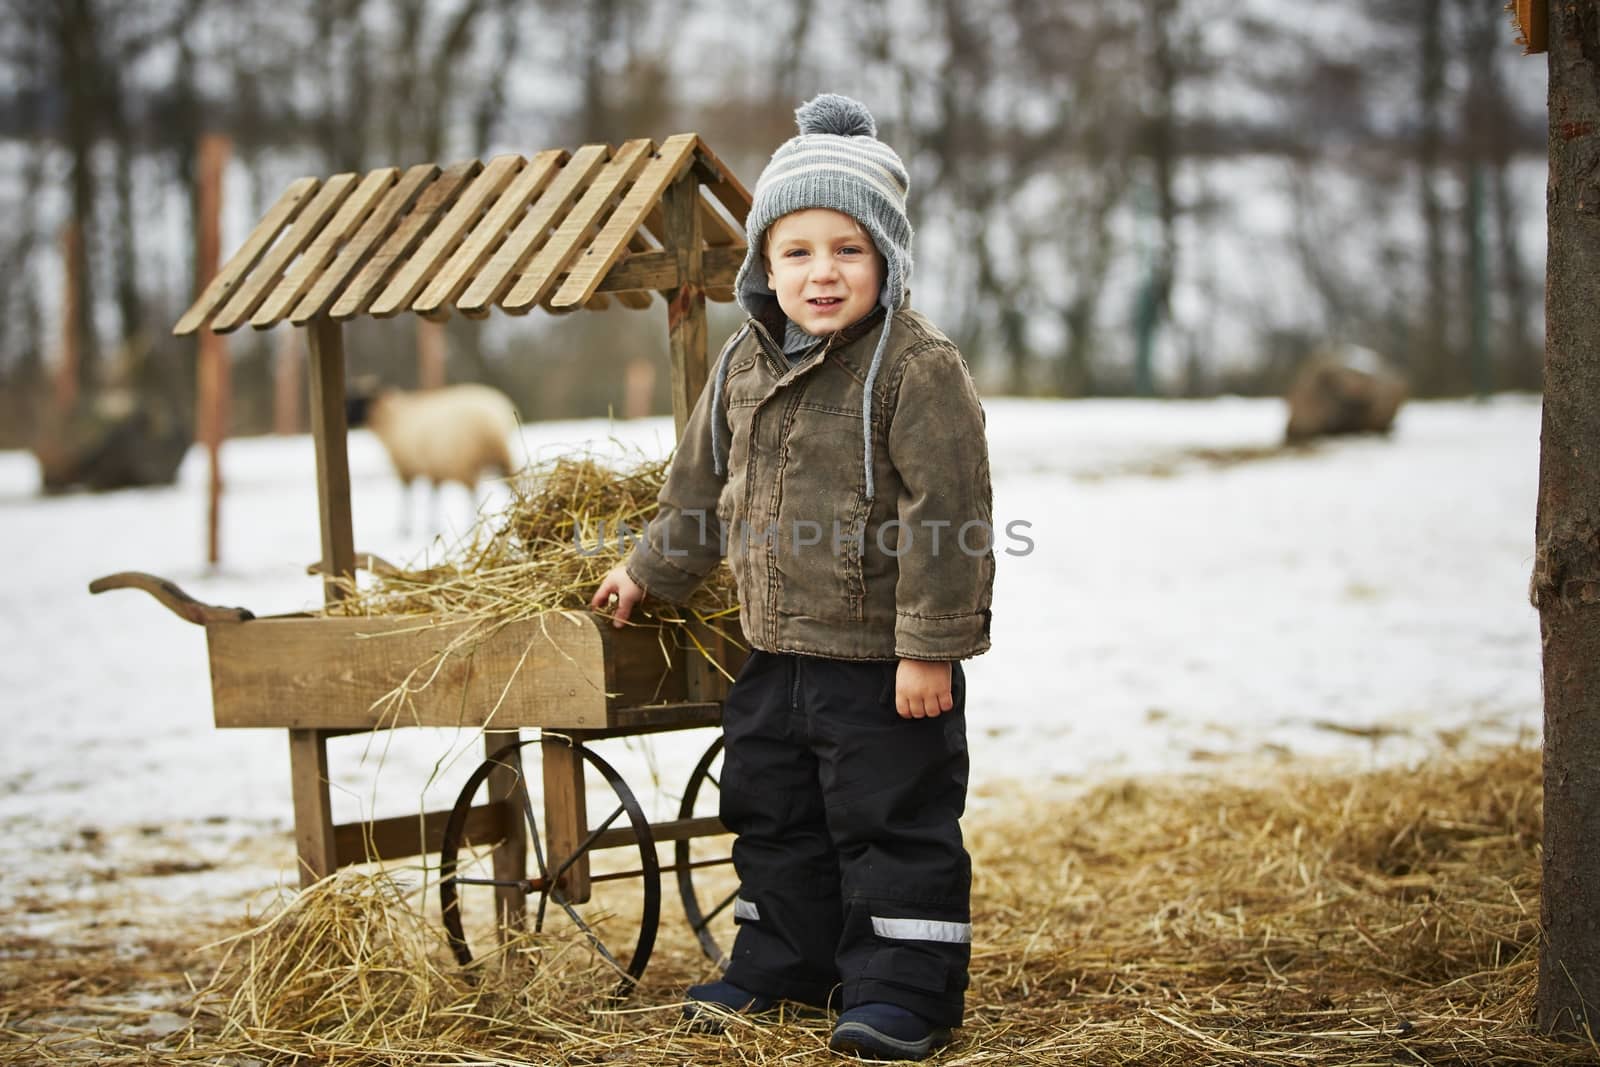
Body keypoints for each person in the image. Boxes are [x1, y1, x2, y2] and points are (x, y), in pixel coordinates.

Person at [591, 92, 994, 1062]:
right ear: (763, 264)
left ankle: (905, 989)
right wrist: (650, 569)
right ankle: (786, 963)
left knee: (890, 819)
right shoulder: (743, 362)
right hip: (772, 654)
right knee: (773, 810)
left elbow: (948, 515)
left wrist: (929, 648)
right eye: (799, 250)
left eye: (849, 249)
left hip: (882, 664)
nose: (823, 272)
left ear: (887, 259)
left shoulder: (914, 368)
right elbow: (700, 488)